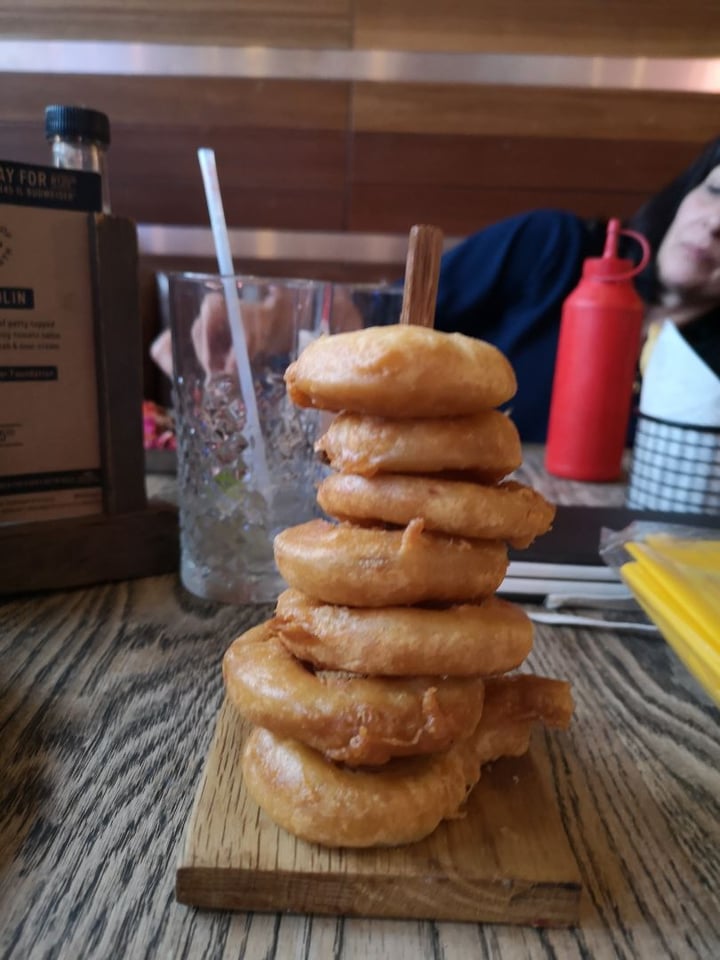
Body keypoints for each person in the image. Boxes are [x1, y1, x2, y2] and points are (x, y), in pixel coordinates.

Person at [151, 136, 720, 441]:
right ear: (689, 187)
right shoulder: (556, 248)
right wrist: (275, 320)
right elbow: (387, 321)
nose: (715, 223)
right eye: (715, 191)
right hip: (416, 506)